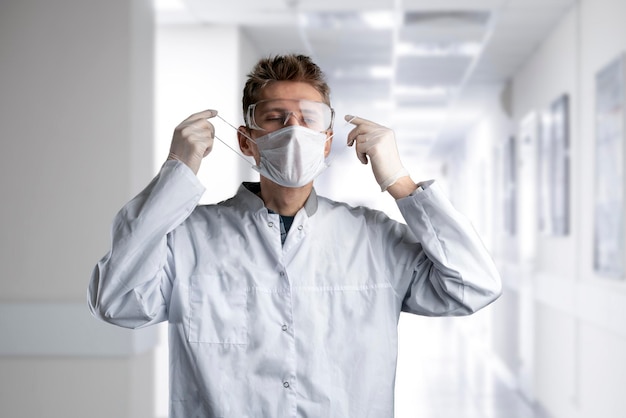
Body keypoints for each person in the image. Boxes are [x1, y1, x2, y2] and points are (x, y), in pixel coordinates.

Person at [88, 54, 501, 417]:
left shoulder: (374, 239)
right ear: (246, 140)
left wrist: (401, 183)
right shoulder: (188, 238)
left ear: (326, 141)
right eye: (275, 117)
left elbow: (474, 285)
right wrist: (176, 173)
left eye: (309, 117)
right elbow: (118, 302)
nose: (293, 128)